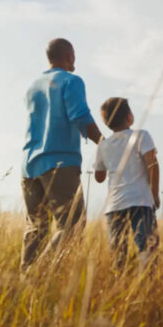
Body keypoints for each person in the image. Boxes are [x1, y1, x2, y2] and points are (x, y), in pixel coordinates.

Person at [21, 38, 103, 270]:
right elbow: (80, 116)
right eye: (74, 54)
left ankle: (26, 282)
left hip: (28, 165)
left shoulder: (33, 86)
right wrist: (102, 142)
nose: (75, 59)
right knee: (73, 224)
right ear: (68, 55)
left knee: (36, 229)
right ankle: (39, 273)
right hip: (59, 162)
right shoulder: (72, 81)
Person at [93, 97, 160, 270]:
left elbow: (99, 177)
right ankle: (146, 285)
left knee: (118, 253)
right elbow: (152, 165)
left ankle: (119, 284)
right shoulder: (141, 136)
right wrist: (155, 194)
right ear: (129, 118)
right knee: (147, 249)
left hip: (114, 205)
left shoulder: (103, 145)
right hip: (141, 201)